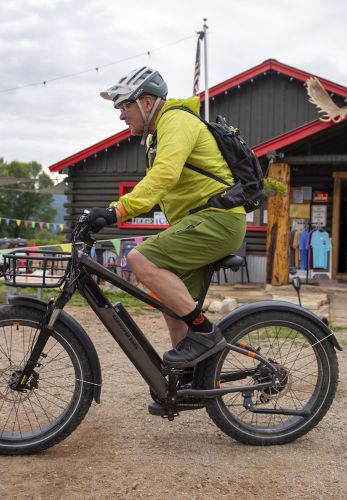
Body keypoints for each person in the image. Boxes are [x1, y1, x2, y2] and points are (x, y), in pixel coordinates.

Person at [86, 67, 246, 376]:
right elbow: (160, 185)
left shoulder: (176, 121)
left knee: (139, 258)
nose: (121, 115)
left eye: (123, 105)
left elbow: (164, 175)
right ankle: (189, 380)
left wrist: (117, 211)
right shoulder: (158, 133)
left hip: (218, 221)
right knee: (173, 306)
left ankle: (204, 333)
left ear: (146, 102)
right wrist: (111, 210)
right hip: (202, 223)